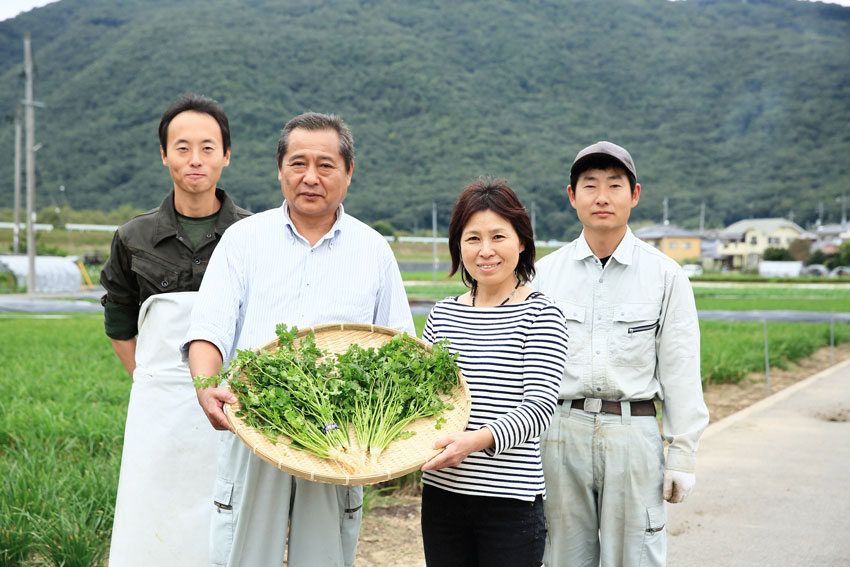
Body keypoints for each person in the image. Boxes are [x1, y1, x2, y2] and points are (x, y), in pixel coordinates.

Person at [182, 112, 415, 567]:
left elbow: (398, 349)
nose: (311, 177)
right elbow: (208, 329)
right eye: (298, 163)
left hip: (338, 438)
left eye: (326, 165)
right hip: (254, 421)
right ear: (280, 169)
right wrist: (206, 387)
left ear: (348, 172)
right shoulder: (243, 240)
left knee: (325, 555)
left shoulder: (373, 250)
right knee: (244, 554)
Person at [531, 141, 710, 566]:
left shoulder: (666, 276)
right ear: (572, 197)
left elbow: (681, 370)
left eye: (615, 184)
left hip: (633, 434)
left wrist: (682, 454)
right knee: (559, 555)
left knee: (637, 556)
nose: (602, 196)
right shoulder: (543, 275)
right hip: (559, 433)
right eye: (589, 185)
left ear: (635, 194)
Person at [100, 93, 251, 566]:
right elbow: (119, 316)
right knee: (151, 511)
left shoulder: (253, 234)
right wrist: (148, 379)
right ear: (163, 154)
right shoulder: (133, 236)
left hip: (233, 397)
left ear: (226, 155)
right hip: (157, 401)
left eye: (208, 147)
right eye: (181, 147)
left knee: (227, 514)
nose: (195, 160)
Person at [419, 178, 569, 567]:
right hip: (443, 495)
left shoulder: (541, 314)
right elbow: (423, 400)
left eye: (498, 236)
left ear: (522, 242)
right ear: (459, 245)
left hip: (510, 503)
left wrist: (475, 441)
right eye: (472, 239)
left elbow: (538, 410)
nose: (485, 251)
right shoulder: (442, 314)